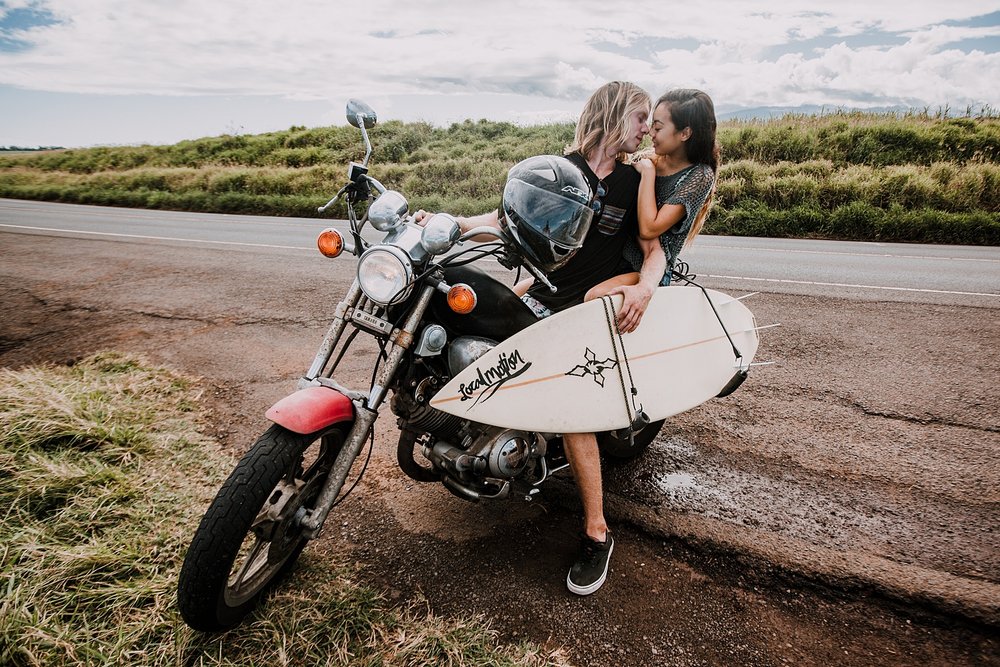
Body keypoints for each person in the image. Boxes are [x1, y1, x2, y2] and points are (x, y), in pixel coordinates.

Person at [416, 81, 665, 595]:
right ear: (614, 115)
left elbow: (653, 248)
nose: (645, 129)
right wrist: (449, 223)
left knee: (570, 409)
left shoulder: (633, 182)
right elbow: (504, 220)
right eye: (640, 117)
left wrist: (644, 286)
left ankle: (597, 532)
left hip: (589, 309)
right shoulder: (559, 168)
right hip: (540, 297)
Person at [585, 88, 719, 301]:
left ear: (685, 133)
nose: (649, 132)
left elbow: (649, 229)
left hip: (646, 269)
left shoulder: (698, 176)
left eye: (657, 127)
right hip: (613, 258)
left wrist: (648, 174)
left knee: (596, 296)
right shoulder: (646, 158)